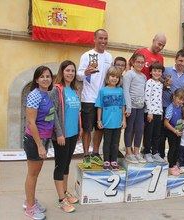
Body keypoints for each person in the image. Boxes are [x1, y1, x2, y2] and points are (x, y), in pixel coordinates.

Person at [76, 29, 113, 169]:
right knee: (87, 129)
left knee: (100, 128)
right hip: (89, 98)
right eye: (100, 38)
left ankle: (96, 153)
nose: (103, 41)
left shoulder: (110, 57)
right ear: (94, 39)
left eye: (105, 38)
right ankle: (86, 155)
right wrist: (85, 72)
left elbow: (112, 75)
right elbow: (78, 75)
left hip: (104, 99)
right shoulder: (87, 55)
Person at [23, 66, 55, 220]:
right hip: (35, 140)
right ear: (36, 79)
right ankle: (29, 208)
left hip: (44, 138)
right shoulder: (34, 95)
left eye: (48, 76)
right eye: (42, 76)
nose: (45, 79)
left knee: (35, 173)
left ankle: (30, 201)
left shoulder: (46, 94)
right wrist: (40, 145)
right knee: (32, 174)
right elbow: (31, 123)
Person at [50, 60, 81, 213]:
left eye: (73, 71)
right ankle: (61, 199)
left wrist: (79, 129)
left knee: (67, 164)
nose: (70, 73)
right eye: (67, 70)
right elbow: (53, 112)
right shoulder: (57, 90)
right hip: (62, 135)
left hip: (73, 134)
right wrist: (59, 133)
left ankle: (65, 192)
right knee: (60, 165)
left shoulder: (74, 90)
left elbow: (77, 112)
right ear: (62, 72)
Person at [159, 49, 184, 159]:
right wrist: (165, 83)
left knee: (177, 135)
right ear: (175, 59)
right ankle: (161, 158)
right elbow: (160, 85)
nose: (182, 64)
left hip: (180, 111)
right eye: (180, 60)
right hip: (165, 107)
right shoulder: (167, 71)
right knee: (162, 135)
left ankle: (175, 161)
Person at [95, 66, 126, 170]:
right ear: (108, 77)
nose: (114, 78)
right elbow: (100, 106)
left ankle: (114, 160)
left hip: (117, 123)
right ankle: (106, 161)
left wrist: (124, 120)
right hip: (107, 123)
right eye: (112, 76)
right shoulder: (102, 90)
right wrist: (99, 120)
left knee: (115, 143)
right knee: (107, 143)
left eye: (117, 77)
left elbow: (122, 106)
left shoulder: (120, 90)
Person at [123, 53, 147, 163]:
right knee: (130, 129)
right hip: (131, 107)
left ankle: (136, 151)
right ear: (133, 62)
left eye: (142, 62)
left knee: (139, 129)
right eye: (138, 62)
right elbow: (126, 91)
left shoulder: (143, 76)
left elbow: (144, 92)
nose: (140, 64)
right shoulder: (129, 74)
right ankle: (128, 152)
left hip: (140, 107)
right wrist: (128, 107)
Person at [143, 62, 165, 163]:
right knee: (149, 133)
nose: (157, 73)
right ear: (151, 72)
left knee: (157, 134)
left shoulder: (160, 84)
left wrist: (160, 113)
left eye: (159, 71)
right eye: (155, 71)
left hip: (158, 113)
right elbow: (147, 97)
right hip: (150, 112)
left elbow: (160, 99)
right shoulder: (149, 82)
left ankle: (155, 152)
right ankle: (147, 152)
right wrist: (150, 112)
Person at [164, 88, 184, 176]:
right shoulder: (170, 108)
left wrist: (181, 129)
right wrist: (175, 131)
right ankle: (171, 166)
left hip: (178, 131)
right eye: (179, 99)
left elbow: (181, 119)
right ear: (174, 97)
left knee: (178, 149)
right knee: (172, 149)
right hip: (172, 131)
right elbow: (166, 122)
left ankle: (175, 164)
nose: (181, 101)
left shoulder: (181, 108)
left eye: (183, 100)